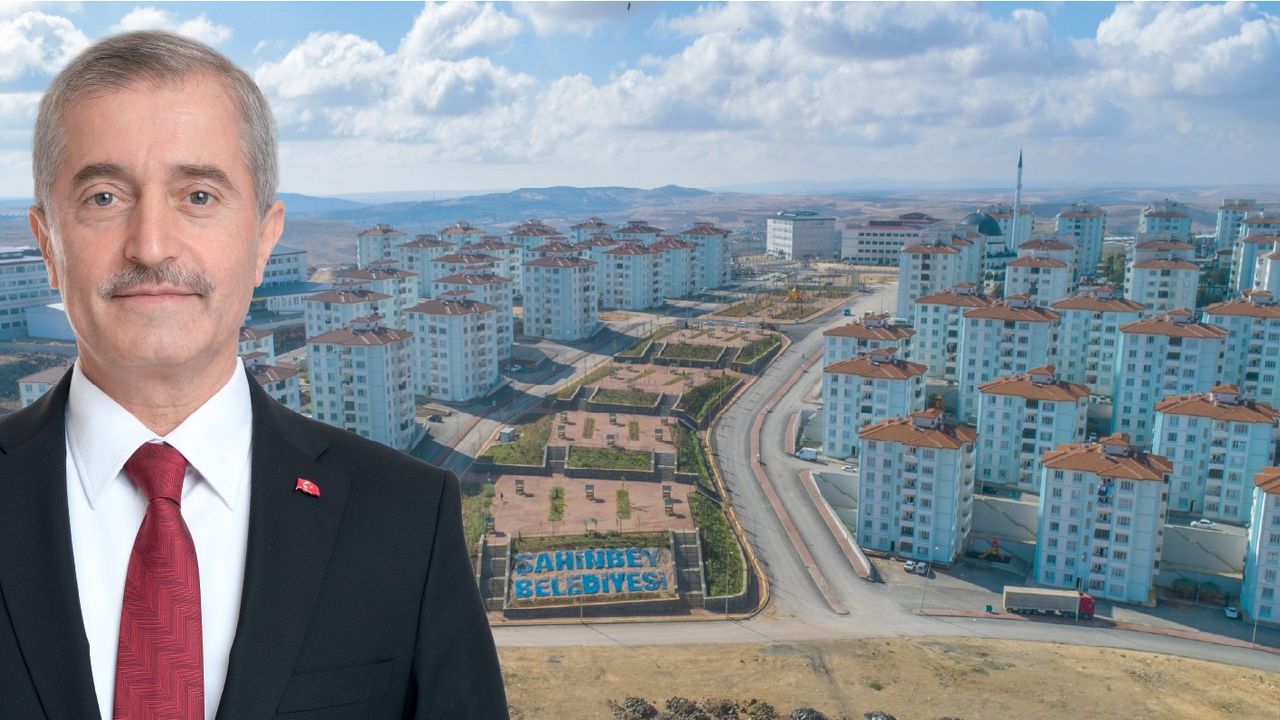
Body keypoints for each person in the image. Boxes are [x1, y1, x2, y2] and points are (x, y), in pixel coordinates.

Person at [0, 31, 508, 720]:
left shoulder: (407, 519)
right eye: (104, 197)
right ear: (47, 243)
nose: (150, 245)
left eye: (198, 195)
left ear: (265, 239)